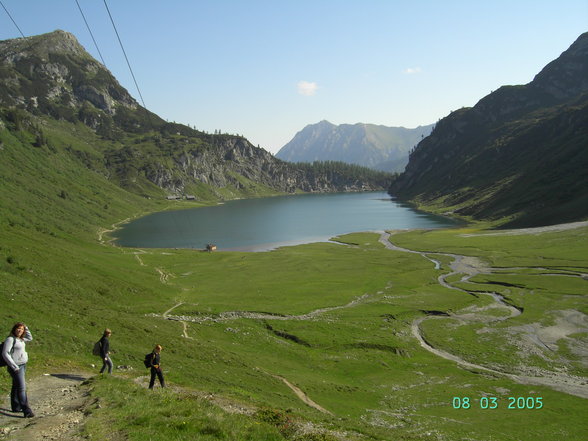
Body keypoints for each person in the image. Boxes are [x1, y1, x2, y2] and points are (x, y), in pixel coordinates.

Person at [2, 322, 34, 418]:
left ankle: (16, 407)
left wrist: (26, 327)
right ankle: (26, 410)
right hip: (16, 367)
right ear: (14, 329)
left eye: (22, 329)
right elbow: (5, 353)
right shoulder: (10, 339)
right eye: (18, 328)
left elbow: (30, 338)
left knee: (16, 386)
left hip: (22, 365)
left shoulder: (21, 339)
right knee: (21, 388)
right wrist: (14, 366)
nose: (20, 330)